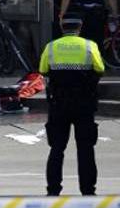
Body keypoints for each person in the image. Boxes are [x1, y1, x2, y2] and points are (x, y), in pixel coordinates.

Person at [39, 16, 105, 196]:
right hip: (84, 103)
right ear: (80, 27)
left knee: (57, 148)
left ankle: (53, 189)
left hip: (59, 103)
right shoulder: (89, 46)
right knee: (86, 148)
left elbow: (43, 69)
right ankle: (88, 190)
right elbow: (99, 68)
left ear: (62, 27)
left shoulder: (51, 47)